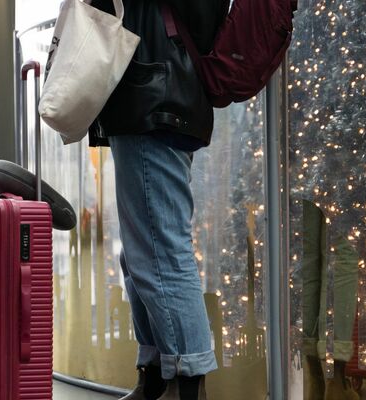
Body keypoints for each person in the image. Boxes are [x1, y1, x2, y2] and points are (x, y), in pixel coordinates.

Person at [87, 1, 228, 399]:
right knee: (141, 255)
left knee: (161, 252)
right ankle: (156, 373)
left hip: (155, 98)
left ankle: (186, 379)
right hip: (155, 96)